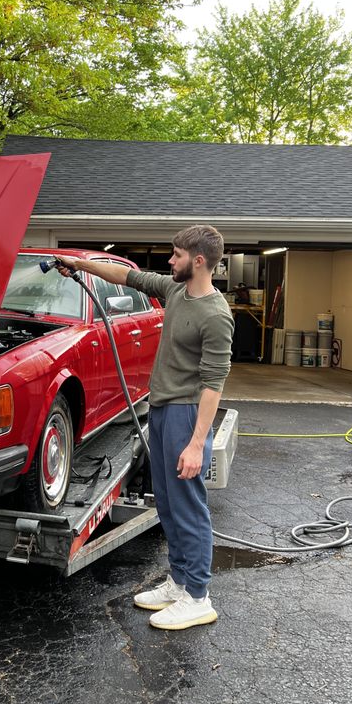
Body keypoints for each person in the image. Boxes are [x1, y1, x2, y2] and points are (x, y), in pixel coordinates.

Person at [58, 225, 234, 631]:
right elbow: (128, 276)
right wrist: (79, 265)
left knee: (188, 505)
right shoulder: (176, 291)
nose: (170, 262)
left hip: (187, 415)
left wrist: (195, 445)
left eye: (176, 255)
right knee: (168, 504)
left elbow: (214, 385)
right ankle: (179, 582)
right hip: (161, 409)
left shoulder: (215, 315)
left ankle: (198, 596)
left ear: (199, 261)